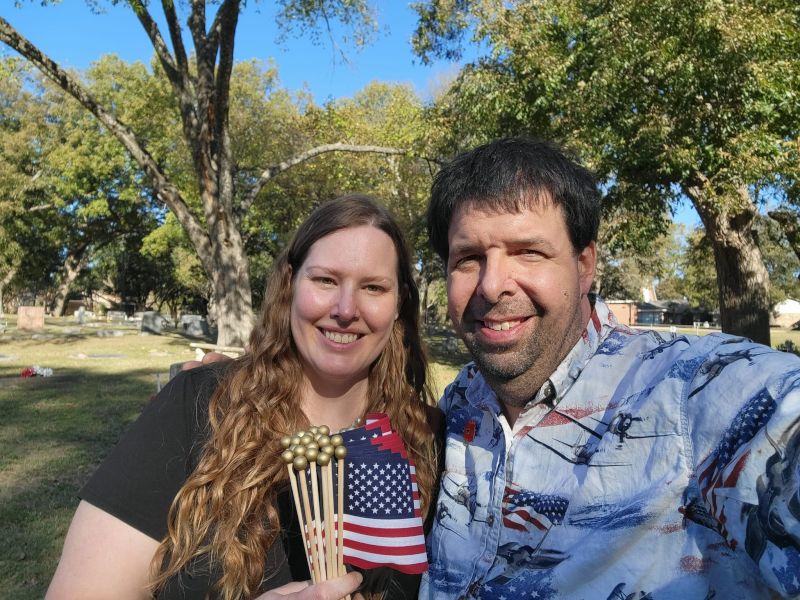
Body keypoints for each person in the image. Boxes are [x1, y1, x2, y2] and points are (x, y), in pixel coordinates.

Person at [419, 137, 800, 599]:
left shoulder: (690, 389)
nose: (493, 284)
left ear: (584, 266)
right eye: (468, 258)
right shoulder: (460, 401)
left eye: (529, 252)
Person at [46, 194, 442, 600]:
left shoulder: (429, 442)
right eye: (325, 280)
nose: (345, 309)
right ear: (290, 285)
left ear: (399, 305)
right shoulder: (197, 406)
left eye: (374, 287)